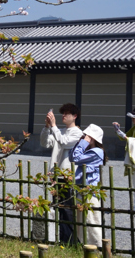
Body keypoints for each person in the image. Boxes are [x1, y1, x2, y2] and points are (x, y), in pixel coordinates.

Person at [43, 103, 83, 243]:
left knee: (67, 209)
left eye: (67, 113)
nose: (63, 116)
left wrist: (53, 126)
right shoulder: (59, 131)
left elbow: (64, 142)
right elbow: (45, 143)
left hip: (68, 176)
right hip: (56, 175)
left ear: (75, 116)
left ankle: (69, 241)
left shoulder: (78, 134)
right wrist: (47, 127)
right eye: (63, 113)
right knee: (57, 208)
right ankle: (60, 239)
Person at [69, 123, 107, 248]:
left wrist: (83, 143)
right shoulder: (87, 150)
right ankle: (83, 247)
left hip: (90, 192)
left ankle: (98, 248)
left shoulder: (97, 152)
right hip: (82, 190)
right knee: (81, 222)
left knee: (92, 222)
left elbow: (76, 158)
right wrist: (80, 143)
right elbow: (71, 156)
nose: (84, 137)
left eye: (87, 135)